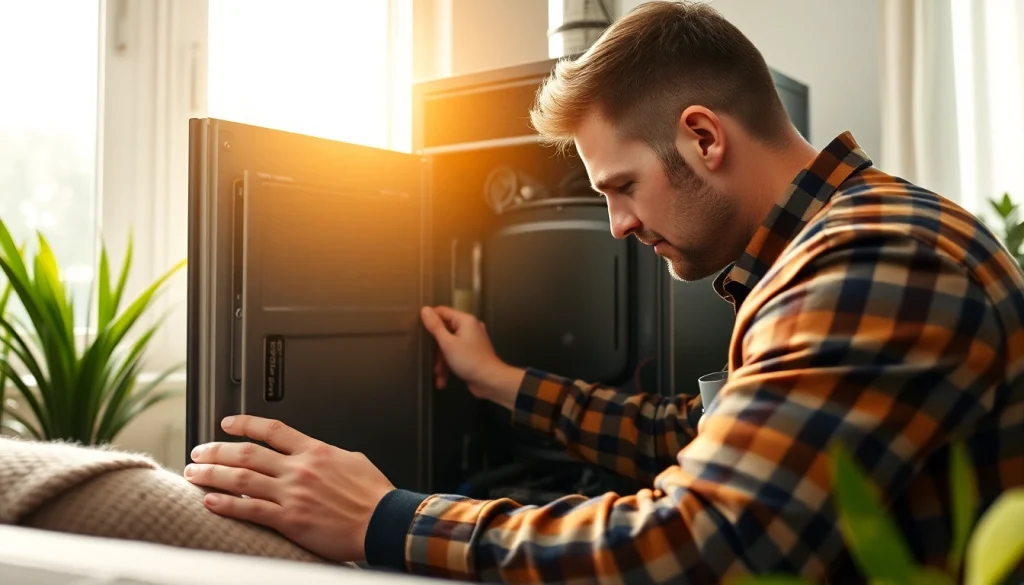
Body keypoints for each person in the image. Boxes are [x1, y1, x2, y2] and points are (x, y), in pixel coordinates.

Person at [182, 1, 1024, 582]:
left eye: (621, 186)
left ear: (702, 137)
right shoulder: (834, 245)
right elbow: (696, 436)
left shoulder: (875, 258)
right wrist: (499, 380)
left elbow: (697, 544)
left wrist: (387, 516)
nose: (618, 225)